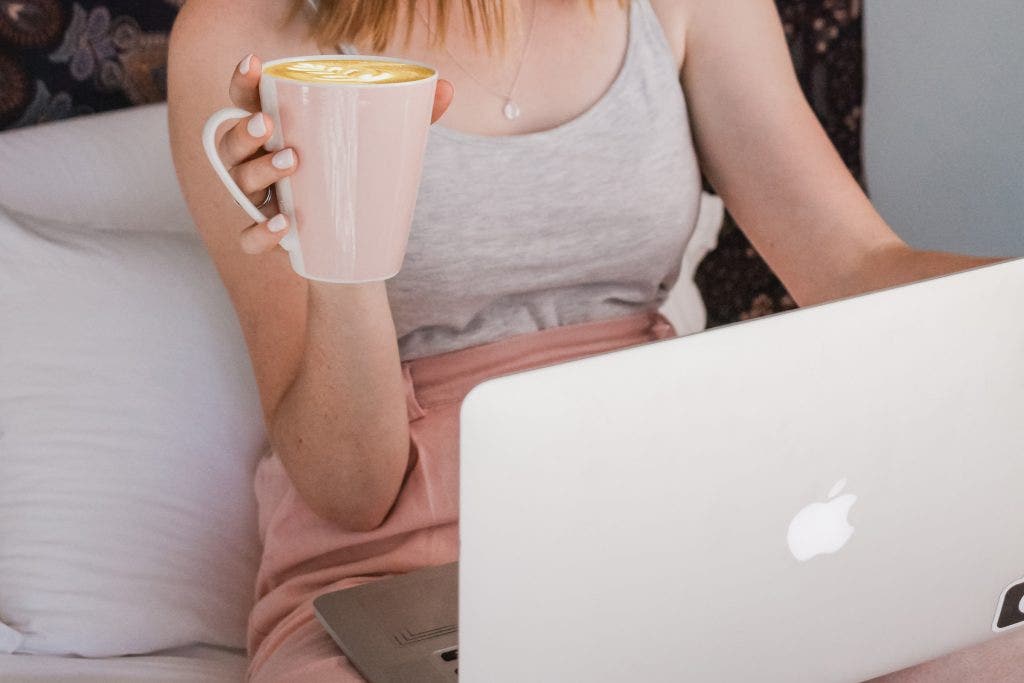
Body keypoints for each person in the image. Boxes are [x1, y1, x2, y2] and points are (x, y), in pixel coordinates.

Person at [166, 0, 1011, 680]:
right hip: (396, 573)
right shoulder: (246, 38)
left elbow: (857, 266)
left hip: (671, 526)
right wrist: (340, 245)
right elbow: (351, 488)